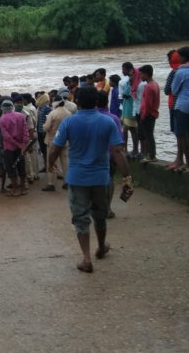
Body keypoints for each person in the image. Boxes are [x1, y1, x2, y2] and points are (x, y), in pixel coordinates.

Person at [48, 87, 132, 274]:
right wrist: (126, 177)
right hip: (101, 177)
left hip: (77, 178)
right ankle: (101, 247)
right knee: (99, 214)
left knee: (80, 218)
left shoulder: (69, 122)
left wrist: (50, 165)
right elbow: (118, 151)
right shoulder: (107, 121)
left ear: (77, 101)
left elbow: (55, 148)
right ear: (96, 102)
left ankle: (86, 259)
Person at [97, 91, 124, 219]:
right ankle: (107, 208)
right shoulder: (113, 118)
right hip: (109, 155)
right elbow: (119, 142)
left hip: (93, 155)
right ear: (107, 102)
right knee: (109, 180)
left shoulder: (90, 118)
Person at [171, 47, 189, 172]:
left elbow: (174, 90)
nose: (178, 59)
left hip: (182, 105)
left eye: (179, 56)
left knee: (181, 134)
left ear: (184, 58)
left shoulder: (181, 72)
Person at [0, 99, 29, 197]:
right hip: (21, 146)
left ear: (3, 108)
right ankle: (23, 189)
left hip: (9, 147)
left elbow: (6, 136)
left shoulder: (3, 119)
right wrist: (23, 144)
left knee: (11, 168)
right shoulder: (20, 116)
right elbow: (25, 131)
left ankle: (15, 190)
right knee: (21, 167)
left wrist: (16, 144)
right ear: (12, 106)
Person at [42, 96, 72, 192]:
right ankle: (67, 182)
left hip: (52, 140)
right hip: (65, 141)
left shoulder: (53, 113)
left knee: (51, 161)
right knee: (65, 162)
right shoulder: (68, 113)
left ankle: (51, 183)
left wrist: (43, 125)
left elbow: (46, 127)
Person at [164, 50, 183, 170]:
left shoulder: (174, 72)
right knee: (187, 135)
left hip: (175, 105)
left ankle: (179, 159)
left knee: (179, 134)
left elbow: (167, 90)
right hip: (188, 107)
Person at [139, 65, 160, 163]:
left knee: (148, 136)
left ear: (147, 74)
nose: (140, 76)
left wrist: (143, 115)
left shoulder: (148, 87)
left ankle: (151, 156)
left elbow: (147, 104)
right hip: (153, 113)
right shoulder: (155, 84)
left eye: (142, 74)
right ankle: (152, 155)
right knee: (150, 135)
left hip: (148, 114)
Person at [121, 62, 139, 158]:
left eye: (124, 69)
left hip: (130, 108)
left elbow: (126, 94)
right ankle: (127, 149)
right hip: (127, 107)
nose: (122, 71)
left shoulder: (132, 80)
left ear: (129, 70)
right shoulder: (130, 79)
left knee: (132, 129)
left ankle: (135, 149)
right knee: (126, 129)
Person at [36, 93, 52, 172]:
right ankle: (45, 166)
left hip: (44, 132)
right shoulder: (40, 107)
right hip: (39, 131)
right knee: (43, 150)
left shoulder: (47, 108)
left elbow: (49, 120)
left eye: (40, 97)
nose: (38, 98)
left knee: (46, 150)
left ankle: (47, 166)